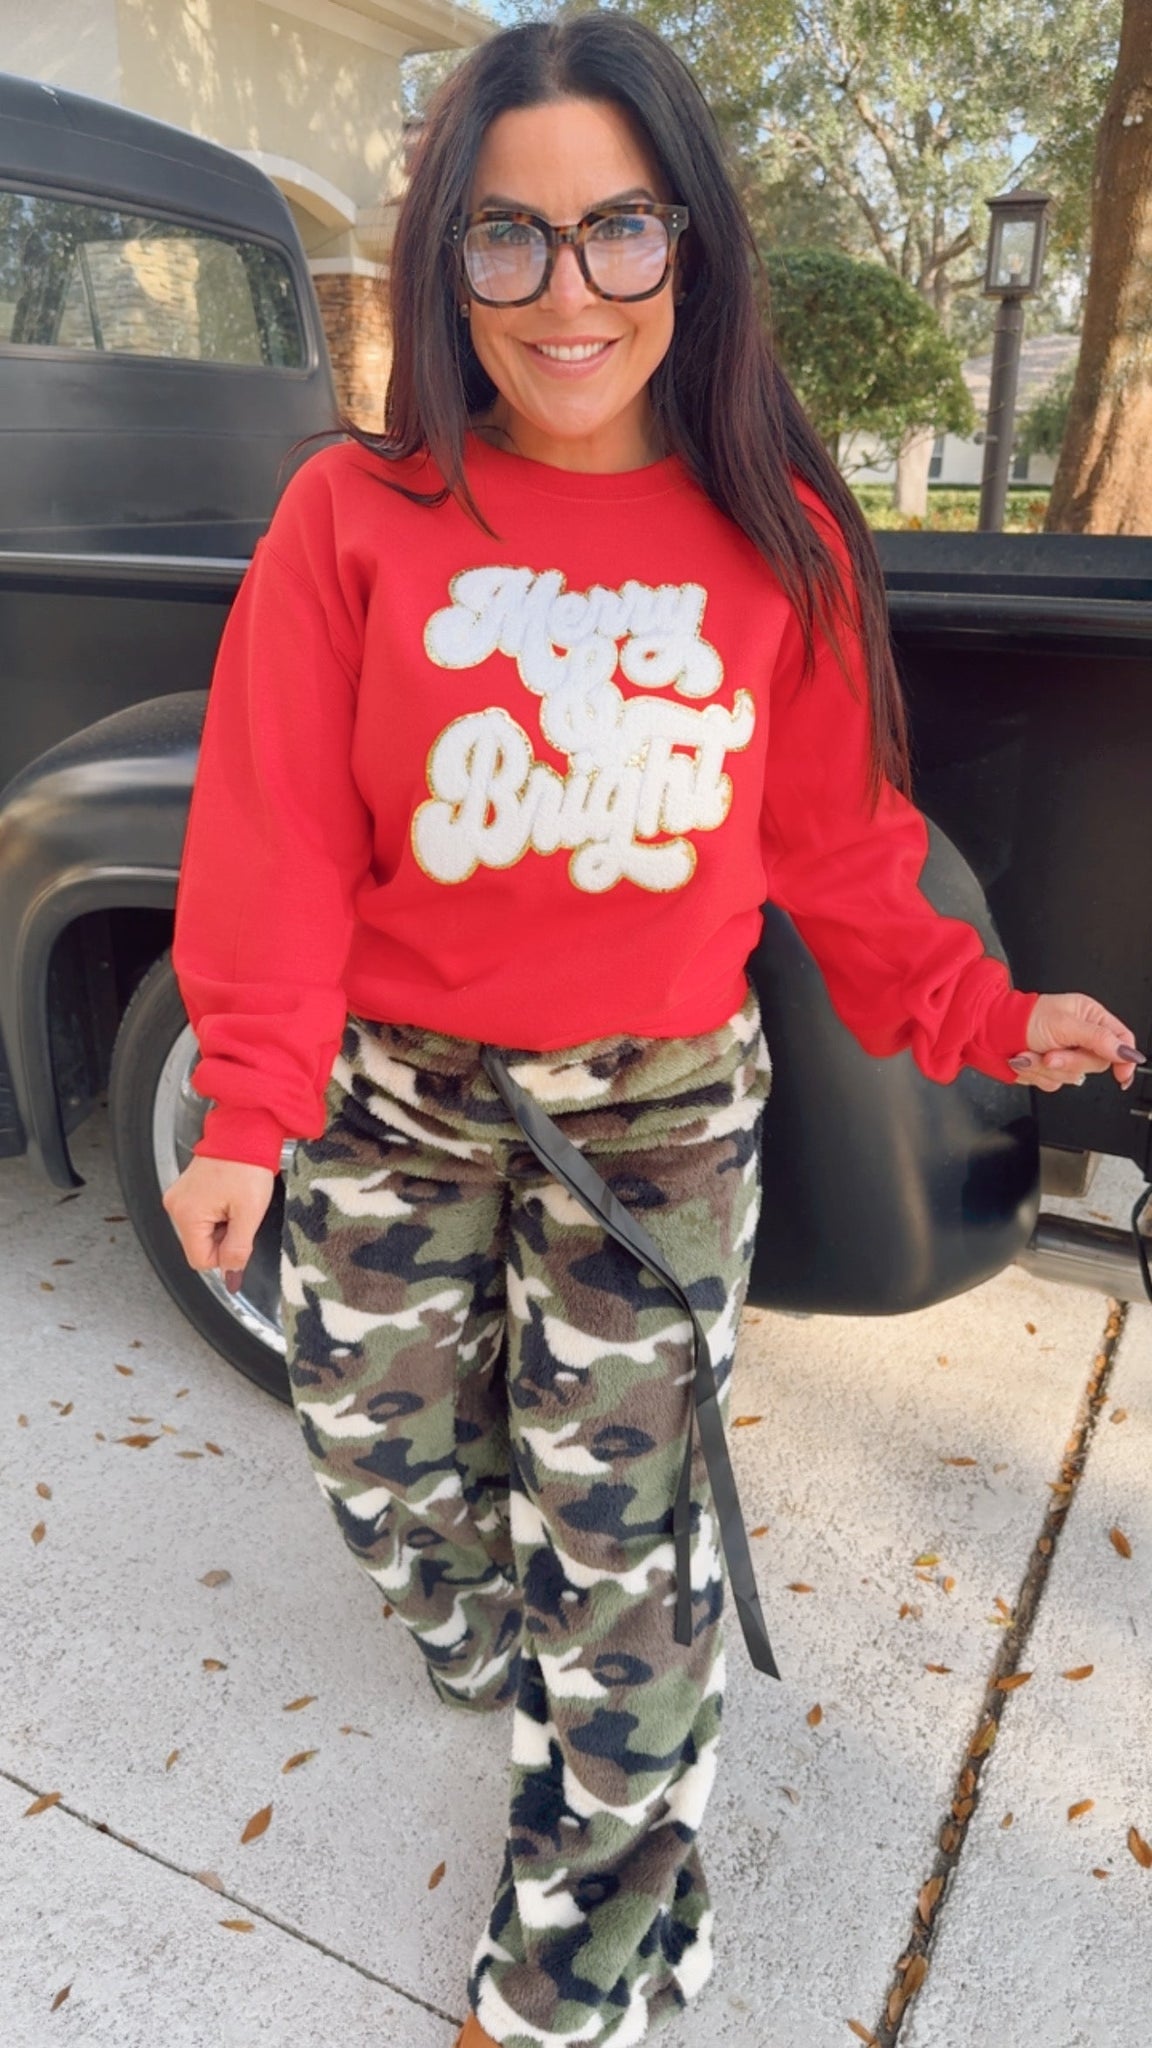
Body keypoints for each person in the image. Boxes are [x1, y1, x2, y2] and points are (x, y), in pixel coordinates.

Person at [160, 15, 1144, 2046]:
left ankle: (587, 1960)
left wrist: (979, 1008)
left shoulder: (776, 530)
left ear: (687, 244)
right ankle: (488, 1636)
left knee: (624, 1555)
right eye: (507, 237)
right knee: (380, 1458)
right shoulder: (355, 517)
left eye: (618, 228)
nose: (568, 291)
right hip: (397, 1104)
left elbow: (837, 843)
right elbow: (275, 837)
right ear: (448, 264)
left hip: (658, 1122)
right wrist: (248, 1105)